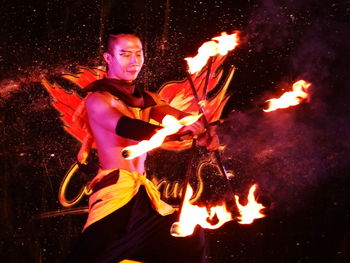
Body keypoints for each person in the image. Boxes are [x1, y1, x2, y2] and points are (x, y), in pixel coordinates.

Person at [65, 28, 218, 263]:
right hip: (116, 195)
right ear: (108, 58)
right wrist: (167, 134)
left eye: (139, 53)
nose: (134, 61)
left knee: (189, 237)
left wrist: (200, 130)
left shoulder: (147, 98)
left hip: (142, 198)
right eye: (125, 54)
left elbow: (177, 118)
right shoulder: (98, 99)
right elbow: (126, 126)